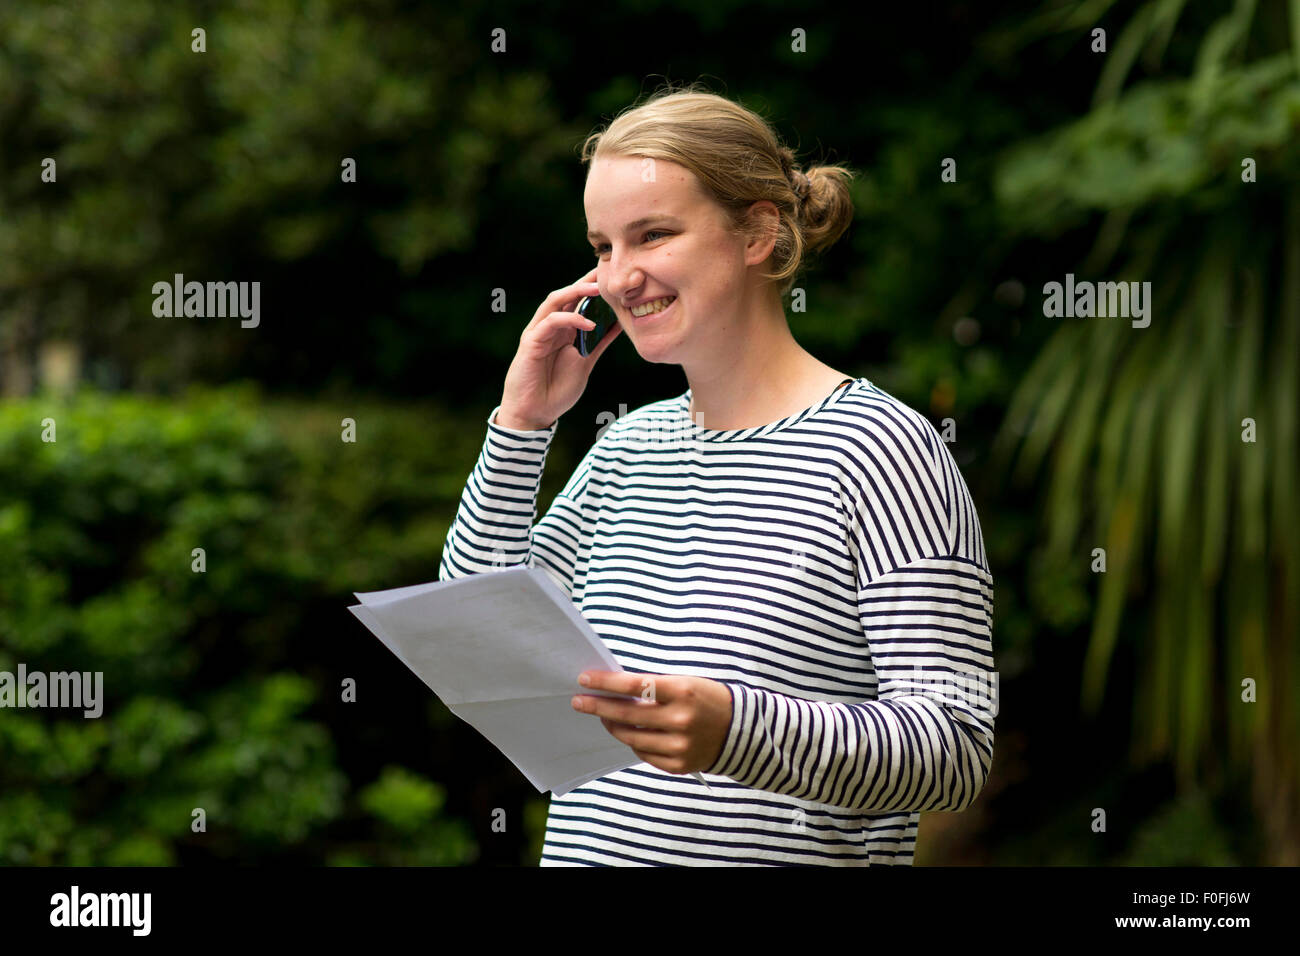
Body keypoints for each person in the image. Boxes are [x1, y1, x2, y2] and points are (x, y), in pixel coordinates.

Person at [439, 84, 996, 865]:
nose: (619, 278)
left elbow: (955, 746)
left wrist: (738, 732)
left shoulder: (881, 449)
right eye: (603, 247)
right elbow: (476, 641)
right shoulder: (628, 448)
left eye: (653, 234)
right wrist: (520, 426)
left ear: (757, 232)